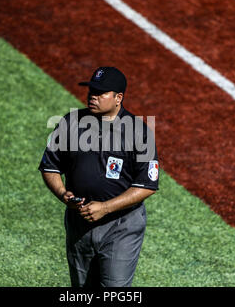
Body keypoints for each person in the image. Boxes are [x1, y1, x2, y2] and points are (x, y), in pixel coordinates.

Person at [38, 66, 159, 287]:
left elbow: (147, 185)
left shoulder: (138, 132)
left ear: (118, 98)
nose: (92, 96)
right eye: (91, 90)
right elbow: (50, 166)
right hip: (79, 223)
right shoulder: (71, 123)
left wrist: (106, 207)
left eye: (100, 93)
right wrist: (63, 194)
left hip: (121, 226)